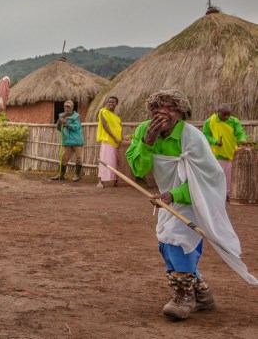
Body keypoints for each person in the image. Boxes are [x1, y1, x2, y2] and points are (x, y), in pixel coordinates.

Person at [126, 89, 256, 320]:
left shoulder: (193, 137)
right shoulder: (142, 131)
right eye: (157, 107)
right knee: (166, 245)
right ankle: (203, 294)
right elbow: (139, 169)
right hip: (168, 197)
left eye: (170, 107)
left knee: (180, 242)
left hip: (194, 198)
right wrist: (148, 142)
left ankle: (184, 297)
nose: (162, 112)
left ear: (181, 113)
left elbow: (209, 179)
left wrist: (174, 195)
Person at [202, 103, 248, 202]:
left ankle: (228, 196)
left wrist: (242, 139)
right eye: (224, 114)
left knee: (230, 177)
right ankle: (217, 195)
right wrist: (215, 142)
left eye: (228, 114)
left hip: (232, 153)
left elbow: (240, 133)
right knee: (217, 176)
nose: (226, 116)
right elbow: (205, 135)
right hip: (217, 154)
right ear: (218, 112)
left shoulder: (234, 121)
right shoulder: (210, 121)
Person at [50, 100, 84, 181]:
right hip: (67, 140)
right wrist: (60, 120)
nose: (66, 108)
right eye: (65, 106)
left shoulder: (76, 116)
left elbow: (76, 127)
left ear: (72, 107)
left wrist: (67, 123)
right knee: (64, 158)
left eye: (68, 107)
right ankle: (61, 175)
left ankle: (77, 175)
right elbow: (58, 128)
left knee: (79, 158)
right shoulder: (62, 115)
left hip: (77, 141)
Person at [96, 96, 122, 188]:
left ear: (116, 104)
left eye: (113, 102)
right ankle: (100, 181)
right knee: (104, 160)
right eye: (109, 102)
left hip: (117, 140)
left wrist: (120, 138)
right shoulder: (103, 111)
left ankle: (115, 180)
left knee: (115, 161)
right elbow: (105, 126)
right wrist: (114, 137)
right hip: (108, 140)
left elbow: (119, 126)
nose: (111, 104)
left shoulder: (117, 114)